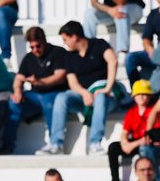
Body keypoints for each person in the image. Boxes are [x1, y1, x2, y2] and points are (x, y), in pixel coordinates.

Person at [46, 21, 119, 156]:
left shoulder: (99, 44)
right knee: (62, 97)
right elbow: (72, 82)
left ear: (74, 36)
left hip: (105, 97)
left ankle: (95, 143)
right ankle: (56, 144)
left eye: (65, 39)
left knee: (101, 97)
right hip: (83, 98)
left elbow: (113, 60)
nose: (65, 43)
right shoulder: (69, 56)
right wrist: (85, 93)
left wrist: (107, 88)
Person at [13, 27, 69, 154]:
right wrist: (17, 90)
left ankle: (55, 143)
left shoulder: (58, 52)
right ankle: (6, 145)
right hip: (35, 95)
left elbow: (59, 77)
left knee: (49, 103)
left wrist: (39, 82)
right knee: (13, 103)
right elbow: (19, 78)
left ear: (44, 41)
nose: (35, 50)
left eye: (37, 46)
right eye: (31, 47)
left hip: (55, 92)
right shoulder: (29, 57)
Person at [107, 79, 160, 181]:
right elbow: (124, 132)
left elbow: (153, 135)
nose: (142, 97)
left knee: (145, 148)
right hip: (135, 142)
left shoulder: (155, 111)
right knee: (113, 148)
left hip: (149, 144)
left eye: (145, 94)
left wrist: (131, 145)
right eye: (139, 94)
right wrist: (124, 143)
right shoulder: (132, 112)